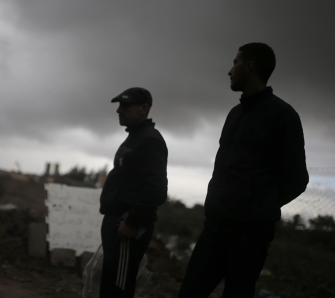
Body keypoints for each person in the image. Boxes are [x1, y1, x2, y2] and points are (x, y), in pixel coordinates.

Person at [179, 43, 309, 297]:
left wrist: (258, 206)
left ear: (249, 67)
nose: (230, 70)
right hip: (215, 228)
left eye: (235, 63)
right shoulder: (235, 114)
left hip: (250, 237)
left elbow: (297, 179)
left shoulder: (283, 115)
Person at [99, 87, 168, 298]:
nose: (119, 110)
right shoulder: (135, 138)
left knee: (118, 289)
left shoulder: (150, 140)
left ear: (143, 108)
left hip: (127, 227)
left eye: (125, 106)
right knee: (110, 282)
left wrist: (131, 222)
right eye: (119, 106)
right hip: (117, 223)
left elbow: (156, 190)